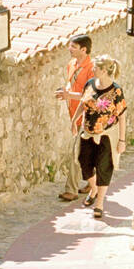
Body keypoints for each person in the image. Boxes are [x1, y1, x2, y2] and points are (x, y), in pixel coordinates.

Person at [75, 55, 127, 220]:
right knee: (84, 163)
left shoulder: (116, 91)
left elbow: (122, 116)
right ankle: (93, 188)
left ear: (104, 71)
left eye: (96, 68)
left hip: (106, 136)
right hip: (87, 132)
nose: (93, 70)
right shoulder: (90, 84)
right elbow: (83, 104)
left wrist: (122, 140)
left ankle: (99, 203)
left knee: (104, 167)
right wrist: (73, 121)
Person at [56, 34, 94, 202]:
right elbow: (72, 85)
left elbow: (91, 95)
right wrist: (65, 91)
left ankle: (71, 190)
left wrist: (68, 94)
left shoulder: (92, 68)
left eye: (73, 47)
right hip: (75, 116)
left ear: (83, 49)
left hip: (88, 116)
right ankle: (93, 182)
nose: (69, 49)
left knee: (76, 153)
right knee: (87, 152)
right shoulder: (71, 64)